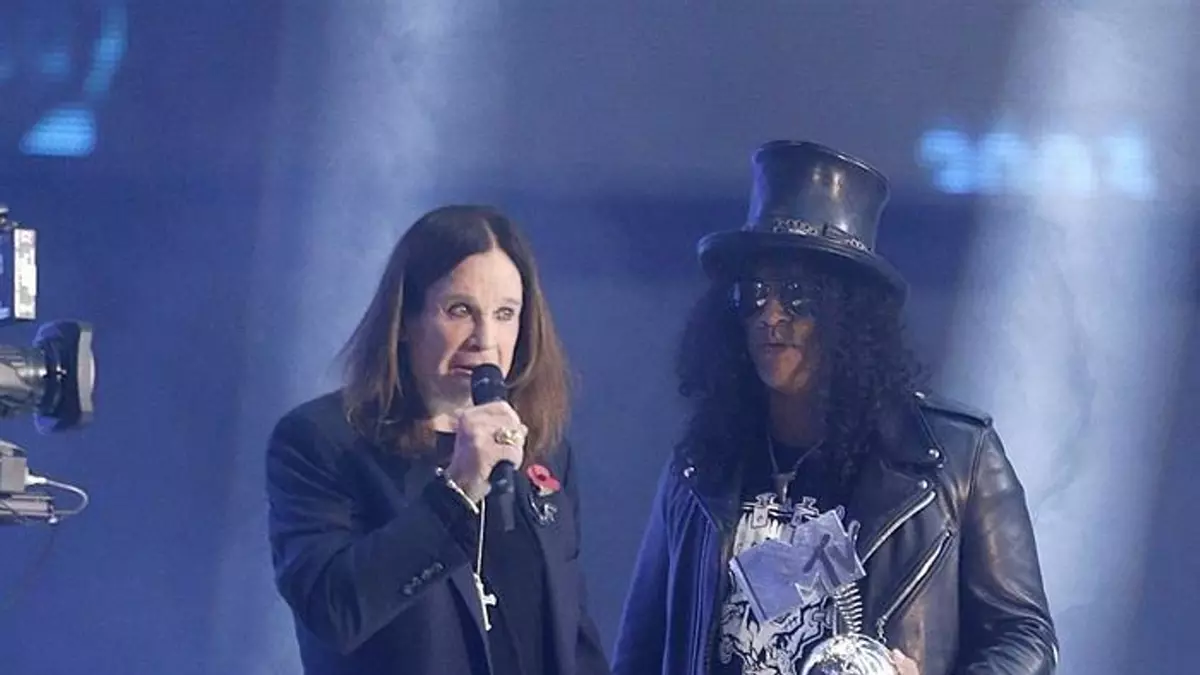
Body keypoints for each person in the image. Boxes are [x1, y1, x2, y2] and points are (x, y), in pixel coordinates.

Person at [611, 141, 1058, 675]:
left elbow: (1026, 637)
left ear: (849, 314)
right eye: (754, 293)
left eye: (797, 293)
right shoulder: (699, 468)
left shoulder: (953, 458)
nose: (771, 315)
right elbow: (641, 650)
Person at [266, 205, 611, 675]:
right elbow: (334, 611)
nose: (485, 338)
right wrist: (458, 491)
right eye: (460, 311)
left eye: (505, 314)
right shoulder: (322, 442)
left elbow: (574, 634)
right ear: (405, 321)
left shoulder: (542, 452)